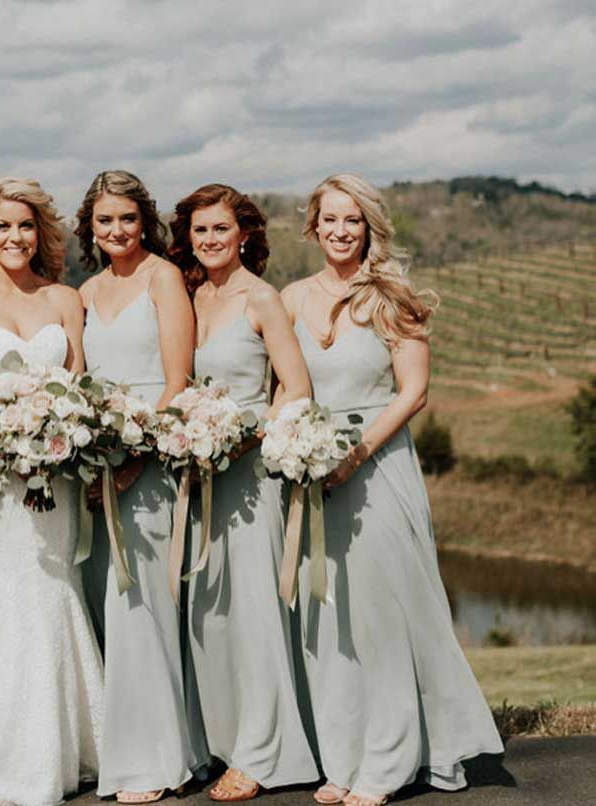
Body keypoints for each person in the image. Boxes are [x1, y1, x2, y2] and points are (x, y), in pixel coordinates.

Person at [282, 174, 502, 806]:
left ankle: (388, 763)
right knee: (328, 619)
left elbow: (414, 393)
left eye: (352, 220)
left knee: (381, 617)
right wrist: (289, 446)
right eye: (330, 219)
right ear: (313, 225)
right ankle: (343, 758)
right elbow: (286, 387)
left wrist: (355, 456)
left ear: (369, 228)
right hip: (310, 471)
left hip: (376, 468)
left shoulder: (390, 297)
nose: (340, 230)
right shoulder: (291, 298)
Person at [0, 177, 103, 806]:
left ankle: (58, 748)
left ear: (41, 233)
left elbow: (78, 382)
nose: (14, 237)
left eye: (25, 226)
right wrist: (6, 432)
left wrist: (51, 434)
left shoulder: (64, 299)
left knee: (51, 585)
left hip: (53, 467)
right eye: (2, 226)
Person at [168, 183, 319, 802]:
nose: (210, 240)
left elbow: (296, 386)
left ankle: (262, 752)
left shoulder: (262, 298)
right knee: (209, 612)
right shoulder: (189, 296)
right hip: (196, 473)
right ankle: (221, 741)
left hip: (249, 477)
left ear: (245, 235)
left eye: (221, 229)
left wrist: (243, 437)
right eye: (200, 230)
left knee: (254, 611)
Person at [75, 170, 206, 802]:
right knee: (103, 601)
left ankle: (157, 760)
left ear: (144, 221)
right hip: (94, 467)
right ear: (90, 227)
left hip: (150, 467)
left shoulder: (164, 279)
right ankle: (114, 749)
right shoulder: (84, 291)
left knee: (142, 606)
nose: (117, 229)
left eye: (127, 218)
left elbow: (178, 381)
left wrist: (134, 461)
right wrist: (87, 456)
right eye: (105, 220)